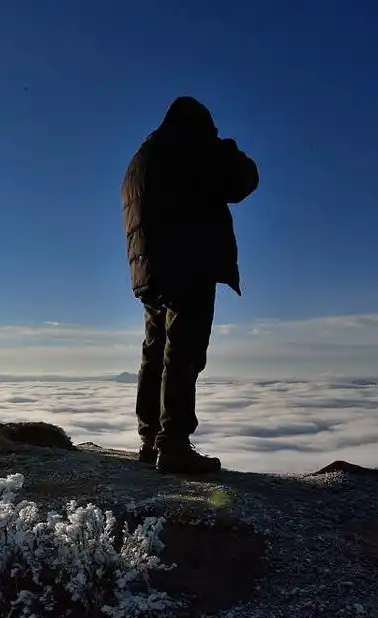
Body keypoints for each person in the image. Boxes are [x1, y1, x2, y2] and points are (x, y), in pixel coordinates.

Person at [121, 96, 259, 474]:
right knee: (184, 351)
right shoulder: (188, 146)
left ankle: (150, 440)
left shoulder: (140, 159)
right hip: (187, 261)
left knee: (155, 350)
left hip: (148, 269)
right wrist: (224, 146)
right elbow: (243, 179)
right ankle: (174, 445)